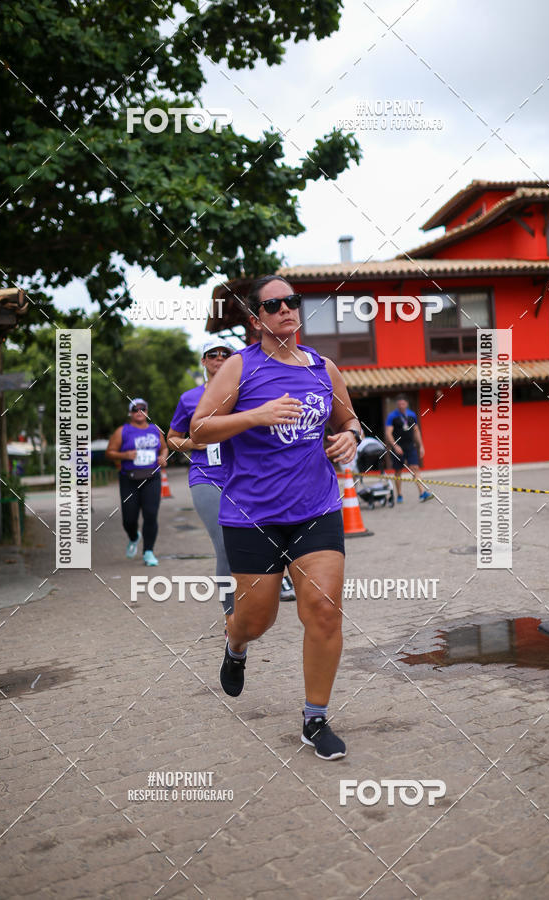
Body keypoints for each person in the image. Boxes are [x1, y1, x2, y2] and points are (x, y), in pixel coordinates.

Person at [190, 275, 361, 760]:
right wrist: (255, 415)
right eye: (274, 305)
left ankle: (315, 718)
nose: (286, 309)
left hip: (316, 509)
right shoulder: (242, 367)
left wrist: (350, 436)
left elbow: (348, 419)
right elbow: (200, 428)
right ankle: (235, 646)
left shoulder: (322, 368)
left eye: (292, 302)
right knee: (256, 618)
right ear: (257, 319)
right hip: (252, 515)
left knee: (324, 611)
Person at [167, 338, 236, 616]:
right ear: (203, 361)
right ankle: (230, 616)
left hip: (242, 477)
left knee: (251, 542)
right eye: (212, 354)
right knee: (224, 543)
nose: (219, 359)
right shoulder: (189, 398)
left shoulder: (245, 393)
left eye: (225, 354)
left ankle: (253, 598)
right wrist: (193, 445)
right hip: (206, 475)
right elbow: (172, 439)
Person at [105, 398, 167, 566]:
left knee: (150, 515)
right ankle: (134, 537)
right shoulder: (122, 431)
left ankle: (148, 552)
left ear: (147, 411)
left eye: (142, 408)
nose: (139, 412)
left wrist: (163, 457)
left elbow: (164, 447)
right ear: (130, 412)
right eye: (135, 409)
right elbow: (109, 452)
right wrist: (125, 455)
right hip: (129, 479)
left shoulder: (155, 430)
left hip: (152, 478)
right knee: (129, 519)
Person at [385, 394, 433, 503]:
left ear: (406, 404)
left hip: (410, 446)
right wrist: (395, 446)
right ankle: (399, 494)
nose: (401, 405)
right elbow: (388, 433)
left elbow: (416, 431)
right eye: (399, 404)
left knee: (415, 467)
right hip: (398, 447)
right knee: (398, 471)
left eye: (403, 403)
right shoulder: (392, 416)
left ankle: (422, 493)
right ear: (397, 405)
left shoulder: (412, 415)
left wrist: (421, 446)